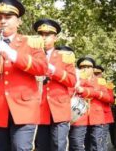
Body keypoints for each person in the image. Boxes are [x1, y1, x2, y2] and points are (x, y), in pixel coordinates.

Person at [0, 0, 47, 151]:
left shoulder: (31, 42)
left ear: (19, 21)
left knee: (21, 148)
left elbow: (41, 68)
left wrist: (13, 54)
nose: (3, 21)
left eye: (8, 17)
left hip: (23, 109)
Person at [33, 19, 76, 151]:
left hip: (59, 108)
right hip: (39, 109)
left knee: (59, 145)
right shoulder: (32, 56)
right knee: (41, 146)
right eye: (41, 34)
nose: (44, 38)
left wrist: (53, 70)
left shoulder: (65, 56)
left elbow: (72, 81)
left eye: (48, 35)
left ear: (55, 38)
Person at [69, 57, 104, 151]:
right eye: (82, 66)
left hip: (95, 116)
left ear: (93, 68)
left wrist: (88, 91)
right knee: (76, 143)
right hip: (78, 116)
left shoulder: (100, 81)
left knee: (96, 143)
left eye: (89, 66)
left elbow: (108, 97)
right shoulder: (75, 78)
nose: (85, 68)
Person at [92, 65, 115, 151]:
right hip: (91, 116)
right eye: (94, 73)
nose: (96, 75)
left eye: (98, 73)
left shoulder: (107, 84)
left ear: (102, 74)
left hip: (105, 117)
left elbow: (111, 100)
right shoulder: (88, 83)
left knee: (101, 141)